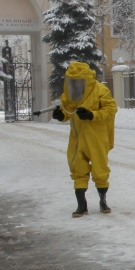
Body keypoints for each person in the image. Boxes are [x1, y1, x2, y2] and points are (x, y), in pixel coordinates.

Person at [52, 62, 117, 217]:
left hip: (97, 137)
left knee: (100, 169)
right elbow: (67, 109)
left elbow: (110, 109)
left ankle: (103, 200)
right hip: (77, 137)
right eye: (73, 81)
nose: (76, 84)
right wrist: (61, 115)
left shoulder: (101, 90)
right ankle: (81, 205)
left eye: (79, 81)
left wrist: (92, 114)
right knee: (77, 167)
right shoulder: (70, 93)